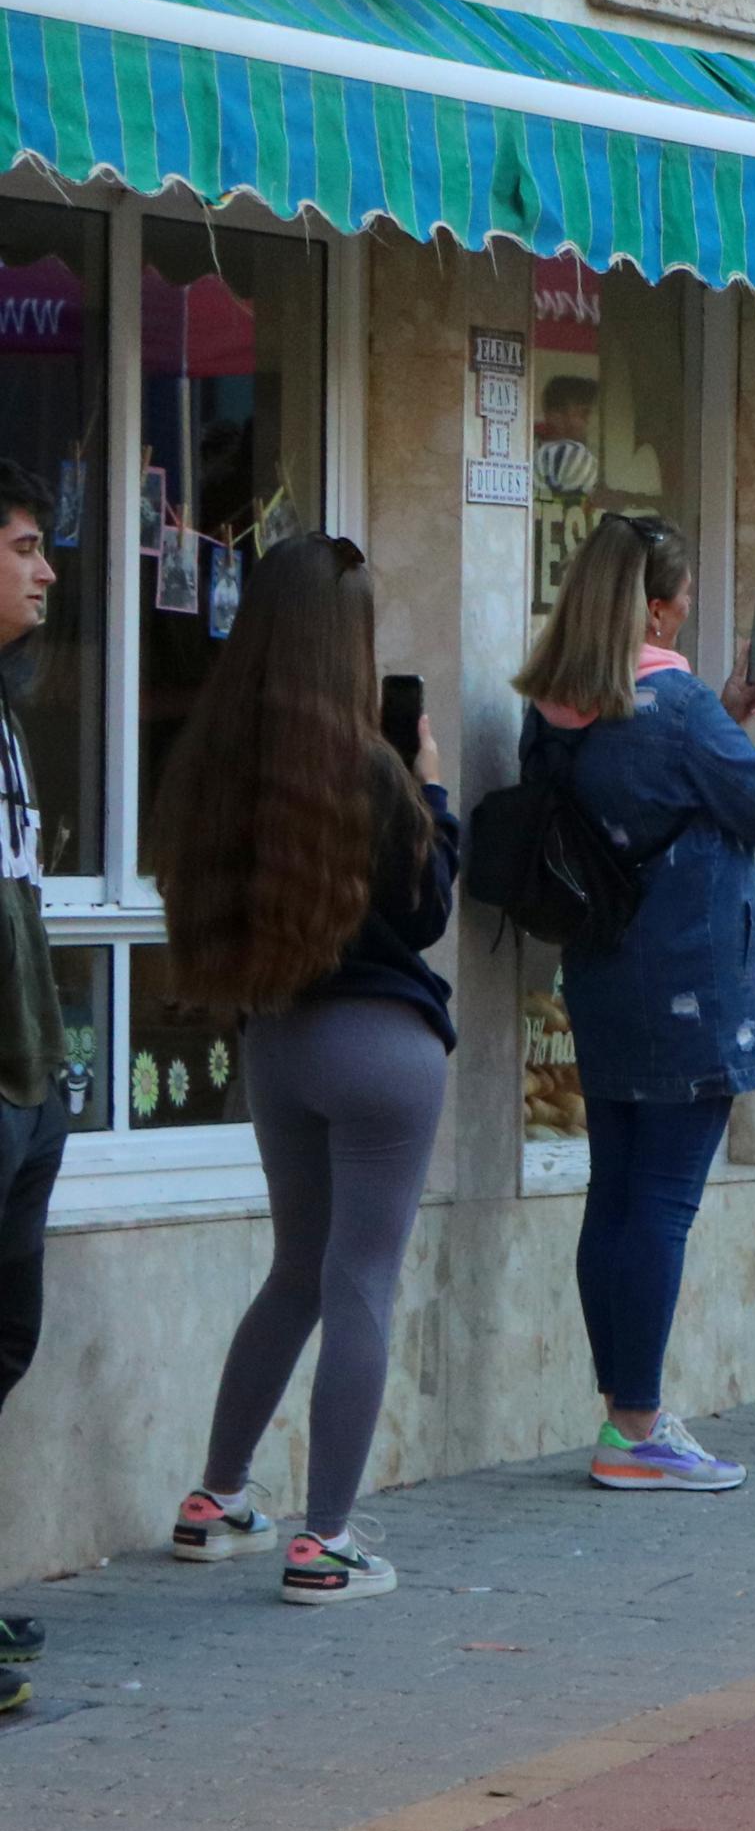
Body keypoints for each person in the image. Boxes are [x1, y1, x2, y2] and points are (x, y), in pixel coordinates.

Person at [148, 536, 454, 1605]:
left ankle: (216, 1495)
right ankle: (326, 1539)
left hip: (277, 1039)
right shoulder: (371, 766)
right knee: (358, 1279)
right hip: (382, 1050)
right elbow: (424, 915)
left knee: (296, 1269)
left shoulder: (217, 758)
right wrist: (433, 791)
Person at [515, 513, 755, 1493]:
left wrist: (723, 717)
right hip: (694, 980)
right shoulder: (675, 704)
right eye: (681, 604)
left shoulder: (553, 705)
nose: (688, 618)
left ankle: (622, 1409)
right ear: (652, 604)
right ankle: (637, 1429)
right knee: (663, 1204)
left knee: (617, 1192)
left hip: (604, 974)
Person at [0, 465, 61, 1672]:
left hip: (27, 1070)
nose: (47, 572)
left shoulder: (10, 704)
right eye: (21, 548)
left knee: (7, 1341)